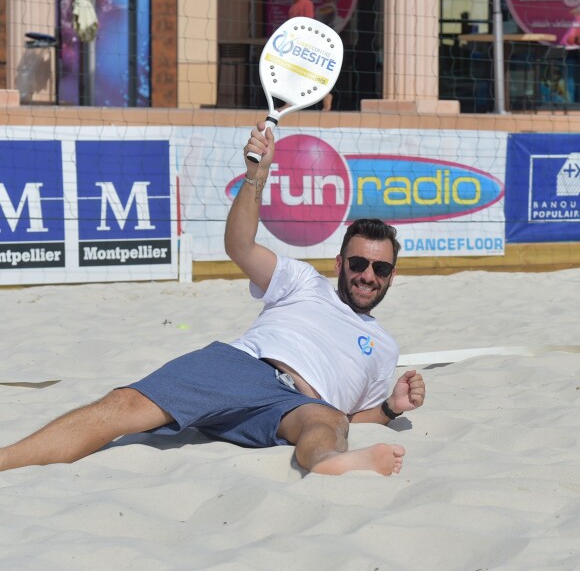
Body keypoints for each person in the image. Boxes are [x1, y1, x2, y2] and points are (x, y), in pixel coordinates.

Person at [0, 122, 425, 476]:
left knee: (330, 422)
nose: (367, 276)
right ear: (339, 263)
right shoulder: (302, 280)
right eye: (358, 264)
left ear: (391, 277)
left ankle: (332, 464)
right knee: (124, 406)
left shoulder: (385, 346)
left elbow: (355, 417)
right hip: (243, 366)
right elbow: (239, 245)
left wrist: (390, 406)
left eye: (380, 269)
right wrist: (256, 176)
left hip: (300, 405)